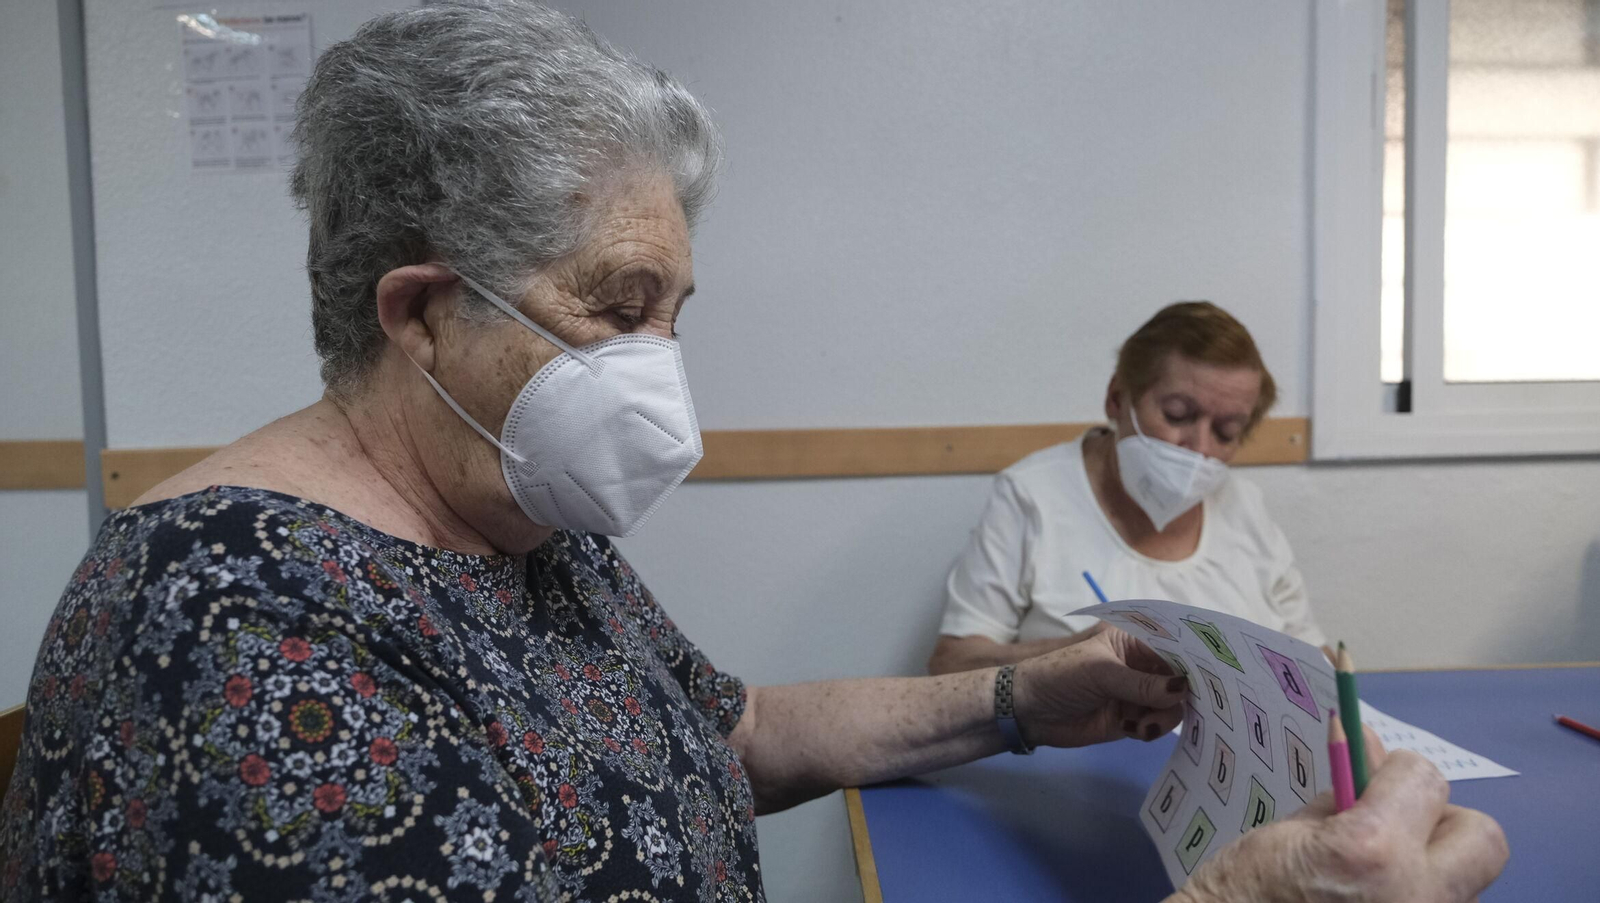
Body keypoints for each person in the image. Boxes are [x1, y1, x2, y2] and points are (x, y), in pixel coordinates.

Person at [0, 4, 1503, 901]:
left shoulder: (519, 525)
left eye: (674, 316)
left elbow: (730, 727)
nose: (659, 373)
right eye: (618, 309)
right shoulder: (234, 623)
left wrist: (1024, 696)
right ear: (421, 314)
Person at [930, 302, 1329, 676]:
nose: (1200, 448)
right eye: (1177, 414)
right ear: (1118, 399)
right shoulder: (1032, 497)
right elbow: (953, 662)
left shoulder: (1245, 506)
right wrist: (1081, 650)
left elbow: (1316, 658)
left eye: (1227, 431)